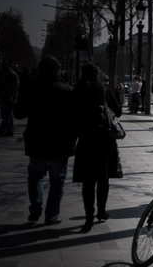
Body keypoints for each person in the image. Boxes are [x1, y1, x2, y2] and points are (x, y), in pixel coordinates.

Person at [13, 56, 77, 225]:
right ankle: (52, 215)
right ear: (57, 71)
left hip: (37, 141)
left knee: (35, 176)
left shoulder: (31, 88)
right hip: (60, 144)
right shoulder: (66, 90)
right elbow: (74, 119)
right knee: (57, 181)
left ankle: (35, 208)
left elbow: (18, 113)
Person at [72, 63, 123, 233]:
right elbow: (119, 111)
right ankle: (101, 211)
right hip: (105, 142)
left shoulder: (77, 91)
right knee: (103, 178)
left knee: (88, 182)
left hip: (86, 141)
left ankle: (88, 217)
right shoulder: (104, 91)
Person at [0, 62, 20, 137]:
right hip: (6, 96)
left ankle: (2, 131)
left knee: (6, 115)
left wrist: (12, 95)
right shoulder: (6, 73)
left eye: (4, 65)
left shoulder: (11, 74)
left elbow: (15, 86)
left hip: (9, 96)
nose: (2, 67)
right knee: (8, 115)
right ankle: (10, 131)